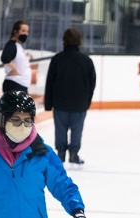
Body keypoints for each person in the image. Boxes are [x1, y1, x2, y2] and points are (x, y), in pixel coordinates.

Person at [44, 28, 96, 165]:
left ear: (64, 41)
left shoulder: (57, 59)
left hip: (60, 102)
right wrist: (87, 101)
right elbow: (92, 83)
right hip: (79, 104)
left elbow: (50, 82)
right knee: (76, 129)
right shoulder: (86, 61)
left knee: (60, 128)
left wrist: (48, 104)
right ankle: (74, 154)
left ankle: (60, 154)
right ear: (79, 41)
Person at [1, 21, 31, 93]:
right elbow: (5, 58)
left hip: (20, 84)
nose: (26, 34)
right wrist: (14, 70)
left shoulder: (18, 46)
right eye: (23, 31)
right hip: (14, 84)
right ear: (16, 32)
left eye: (27, 31)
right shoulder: (11, 45)